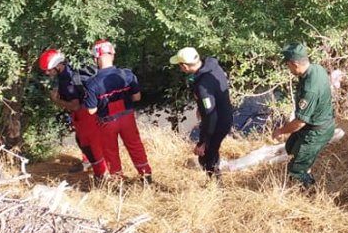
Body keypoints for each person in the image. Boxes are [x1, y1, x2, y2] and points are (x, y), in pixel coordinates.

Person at [83, 40, 153, 183]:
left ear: (95, 59)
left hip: (107, 121)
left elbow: (91, 110)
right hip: (127, 117)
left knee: (110, 151)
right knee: (135, 145)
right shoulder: (127, 74)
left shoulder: (92, 83)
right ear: (113, 55)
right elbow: (137, 97)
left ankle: (118, 181)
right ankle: (146, 176)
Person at [271, 42, 336, 188]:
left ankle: (311, 192)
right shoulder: (316, 69)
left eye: (287, 65)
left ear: (294, 64)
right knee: (291, 146)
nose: (288, 68)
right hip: (314, 123)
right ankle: (306, 166)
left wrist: (280, 130)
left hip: (317, 131)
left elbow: (300, 122)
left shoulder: (310, 89)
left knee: (295, 170)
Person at [38, 49, 107, 178]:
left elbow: (74, 105)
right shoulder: (70, 69)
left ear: (58, 66)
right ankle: (90, 164)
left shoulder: (67, 80)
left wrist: (56, 100)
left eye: (49, 69)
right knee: (83, 141)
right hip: (88, 111)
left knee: (89, 144)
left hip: (84, 113)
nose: (47, 73)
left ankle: (101, 173)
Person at [170, 47, 232, 178]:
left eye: (179, 65)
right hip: (225, 114)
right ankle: (215, 175)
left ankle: (216, 186)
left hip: (218, 123)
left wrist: (203, 142)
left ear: (185, 66)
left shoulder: (202, 86)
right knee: (212, 151)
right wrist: (201, 107)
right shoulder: (212, 65)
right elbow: (211, 98)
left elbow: (211, 116)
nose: (180, 68)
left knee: (206, 157)